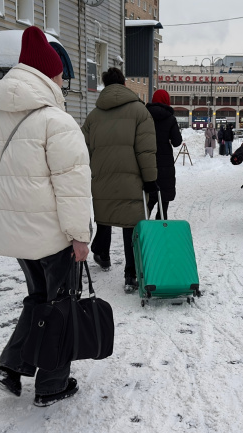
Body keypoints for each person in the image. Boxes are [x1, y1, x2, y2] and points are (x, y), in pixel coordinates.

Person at [0, 26, 91, 407]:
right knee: (62, 305)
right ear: (48, 76)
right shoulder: (56, 121)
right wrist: (80, 235)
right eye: (59, 74)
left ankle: (12, 366)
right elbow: (72, 187)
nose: (60, 80)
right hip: (54, 235)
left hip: (16, 233)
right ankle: (53, 383)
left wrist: (10, 192)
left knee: (39, 298)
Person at [81, 67, 157, 292]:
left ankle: (102, 255)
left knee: (105, 215)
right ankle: (131, 274)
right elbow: (146, 151)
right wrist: (151, 180)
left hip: (102, 178)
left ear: (105, 85)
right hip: (132, 180)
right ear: (124, 84)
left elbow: (82, 149)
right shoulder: (140, 111)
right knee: (131, 224)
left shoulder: (93, 116)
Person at [146, 89, 182, 219]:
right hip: (165, 164)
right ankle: (160, 232)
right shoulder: (170, 119)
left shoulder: (145, 116)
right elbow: (177, 142)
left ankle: (144, 232)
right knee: (164, 202)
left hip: (148, 161)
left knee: (148, 203)